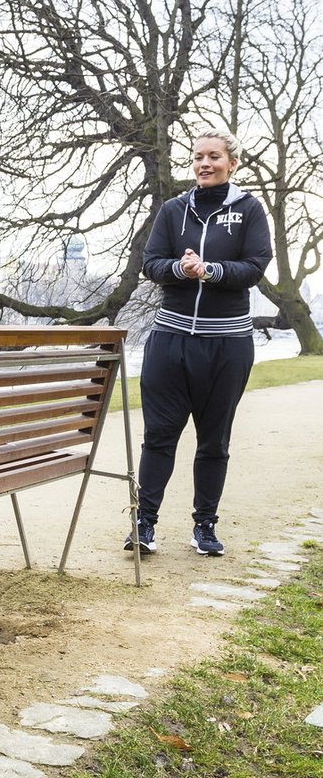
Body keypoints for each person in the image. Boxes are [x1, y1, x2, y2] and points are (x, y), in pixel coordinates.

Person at [125, 128, 272, 560]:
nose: (204, 164)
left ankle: (204, 527)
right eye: (197, 157)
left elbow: (254, 267)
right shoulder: (174, 209)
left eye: (213, 156)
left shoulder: (249, 210)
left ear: (233, 163)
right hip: (170, 340)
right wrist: (180, 268)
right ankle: (144, 524)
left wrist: (209, 271)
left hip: (227, 345)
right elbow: (151, 263)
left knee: (213, 442)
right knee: (159, 437)